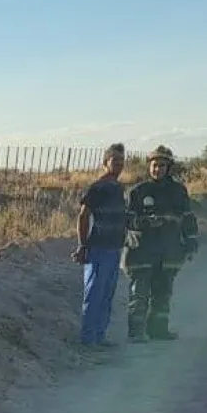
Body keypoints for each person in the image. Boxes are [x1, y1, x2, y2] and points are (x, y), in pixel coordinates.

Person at [123, 145, 199, 342]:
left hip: (169, 251)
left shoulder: (178, 191)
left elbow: (188, 218)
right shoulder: (137, 192)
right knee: (139, 295)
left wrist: (191, 244)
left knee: (163, 293)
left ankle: (159, 331)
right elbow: (127, 220)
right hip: (141, 251)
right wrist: (145, 222)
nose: (158, 169)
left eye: (162, 166)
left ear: (169, 167)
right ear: (149, 167)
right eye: (155, 165)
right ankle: (136, 334)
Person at [71, 143, 126, 348]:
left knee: (106, 296)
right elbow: (83, 216)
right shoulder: (98, 187)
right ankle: (87, 341)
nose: (118, 165)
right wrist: (82, 245)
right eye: (115, 161)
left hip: (114, 249)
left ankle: (99, 337)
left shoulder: (118, 188)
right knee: (93, 296)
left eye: (121, 162)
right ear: (105, 163)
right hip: (98, 249)